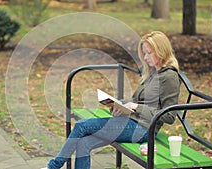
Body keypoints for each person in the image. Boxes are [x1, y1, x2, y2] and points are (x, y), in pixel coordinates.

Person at [43, 31, 181, 169]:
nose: (145, 57)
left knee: (82, 126)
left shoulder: (169, 77)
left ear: (161, 51)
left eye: (149, 53)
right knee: (83, 143)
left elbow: (169, 116)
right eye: (144, 53)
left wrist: (135, 107)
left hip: (143, 130)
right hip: (130, 122)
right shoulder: (152, 73)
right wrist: (121, 107)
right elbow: (139, 102)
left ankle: (54, 166)